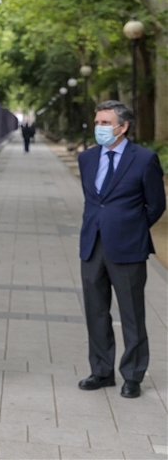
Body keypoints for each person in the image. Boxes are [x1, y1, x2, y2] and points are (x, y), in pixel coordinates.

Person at [77, 100, 165, 398]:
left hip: (128, 247)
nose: (99, 128)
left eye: (105, 123)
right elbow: (94, 201)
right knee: (96, 312)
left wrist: (131, 228)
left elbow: (156, 205)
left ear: (123, 126)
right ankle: (101, 371)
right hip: (92, 246)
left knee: (131, 314)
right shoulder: (87, 158)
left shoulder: (144, 159)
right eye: (97, 122)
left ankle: (133, 375)